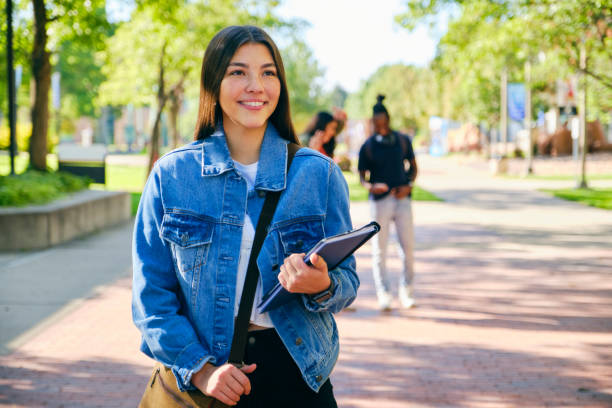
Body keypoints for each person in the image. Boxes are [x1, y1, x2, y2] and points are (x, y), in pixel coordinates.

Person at [132, 25, 358, 407]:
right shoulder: (171, 177)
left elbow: (347, 282)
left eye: (268, 73)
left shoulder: (319, 175)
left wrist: (320, 284)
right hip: (204, 377)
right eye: (238, 72)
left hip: (297, 376)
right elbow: (151, 300)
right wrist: (202, 371)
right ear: (214, 83)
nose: (256, 85)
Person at [357, 94, 418, 310]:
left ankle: (407, 291)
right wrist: (371, 187)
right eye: (376, 122)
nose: (379, 125)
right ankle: (384, 294)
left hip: (402, 200)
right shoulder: (368, 146)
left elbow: (413, 167)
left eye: (382, 121)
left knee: (407, 248)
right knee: (379, 251)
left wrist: (409, 185)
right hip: (379, 202)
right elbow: (362, 178)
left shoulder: (402, 140)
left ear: (388, 119)